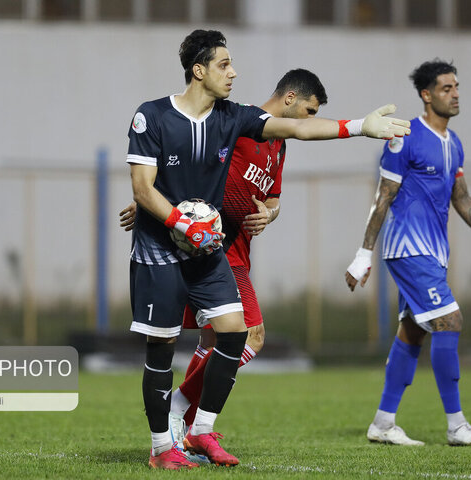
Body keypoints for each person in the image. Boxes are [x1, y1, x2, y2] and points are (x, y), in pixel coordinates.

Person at [127, 29, 410, 470]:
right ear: (199, 70)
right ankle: (166, 441)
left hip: (215, 251)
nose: (234, 72)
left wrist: (359, 127)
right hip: (166, 250)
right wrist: (161, 209)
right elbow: (154, 182)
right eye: (224, 64)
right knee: (167, 347)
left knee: (236, 332)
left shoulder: (242, 122)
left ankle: (198, 429)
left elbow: (294, 134)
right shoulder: (156, 116)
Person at [122, 68, 328, 461]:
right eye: (309, 111)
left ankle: (189, 425)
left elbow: (273, 198)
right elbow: (188, 169)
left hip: (235, 249)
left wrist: (270, 214)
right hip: (215, 248)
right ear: (289, 99)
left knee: (217, 339)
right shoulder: (240, 122)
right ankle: (185, 412)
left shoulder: (278, 145)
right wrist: (148, 202)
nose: (310, 121)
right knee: (250, 334)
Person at [344, 59, 471, 447]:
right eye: (446, 88)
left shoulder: (453, 144)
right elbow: (382, 197)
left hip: (434, 252)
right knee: (450, 320)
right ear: (426, 95)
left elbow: (463, 199)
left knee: (412, 334)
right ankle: (456, 425)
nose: (455, 94)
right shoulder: (404, 137)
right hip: (408, 249)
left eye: (457, 87)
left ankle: (383, 423)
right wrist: (363, 254)